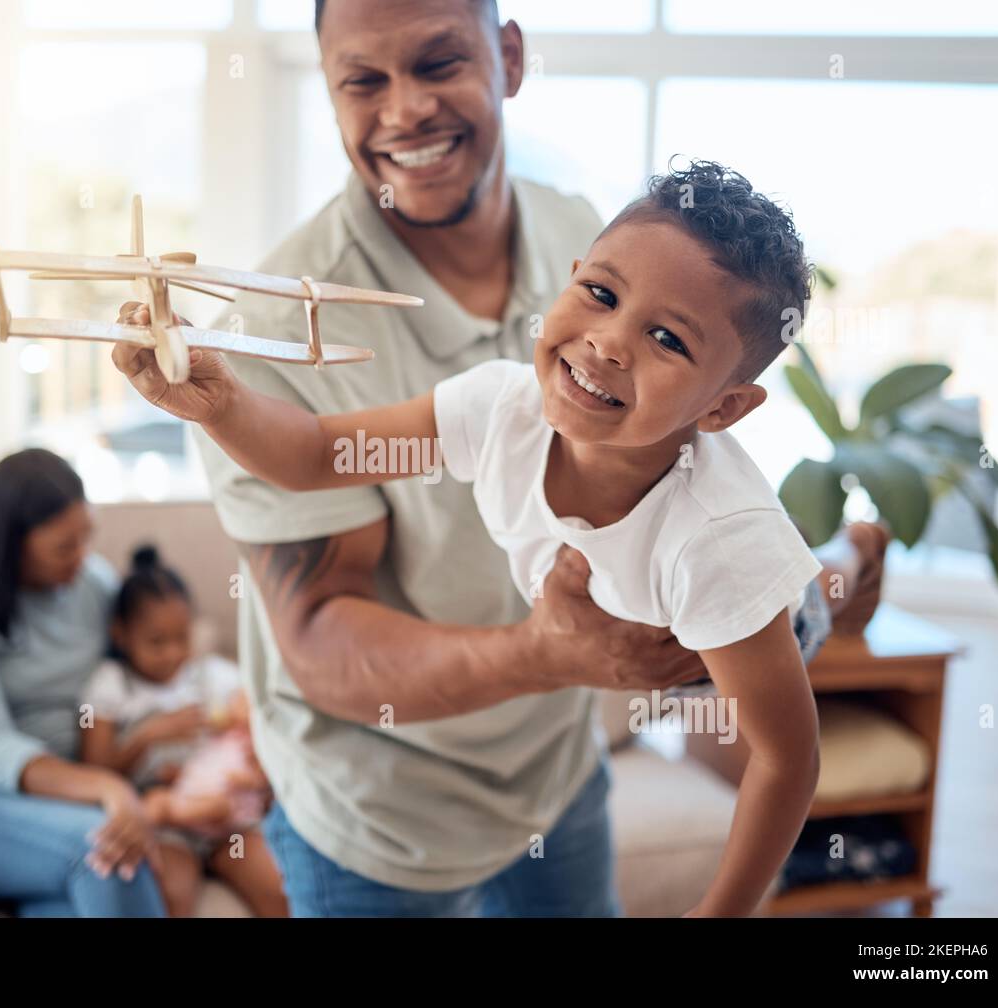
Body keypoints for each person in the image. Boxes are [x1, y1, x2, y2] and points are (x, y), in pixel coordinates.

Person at [112, 0, 885, 916]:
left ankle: (836, 570)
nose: (604, 344)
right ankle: (837, 569)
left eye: (666, 340)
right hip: (376, 813)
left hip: (568, 758)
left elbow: (787, 758)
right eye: (596, 294)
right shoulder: (495, 402)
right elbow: (318, 454)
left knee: (795, 605)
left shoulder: (719, 542)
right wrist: (222, 400)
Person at [0, 449, 223, 916]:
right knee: (104, 852)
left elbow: (145, 672)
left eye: (86, 538)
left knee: (75, 902)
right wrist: (108, 789)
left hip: (51, 806)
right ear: (11, 542)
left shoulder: (91, 586)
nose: (81, 558)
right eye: (64, 546)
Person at [79, 544, 287, 917]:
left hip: (226, 819)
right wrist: (146, 736)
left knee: (280, 890)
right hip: (165, 821)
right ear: (120, 634)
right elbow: (95, 770)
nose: (173, 653)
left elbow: (254, 714)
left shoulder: (210, 675)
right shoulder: (110, 686)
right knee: (169, 896)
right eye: (157, 642)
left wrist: (255, 747)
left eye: (181, 638)